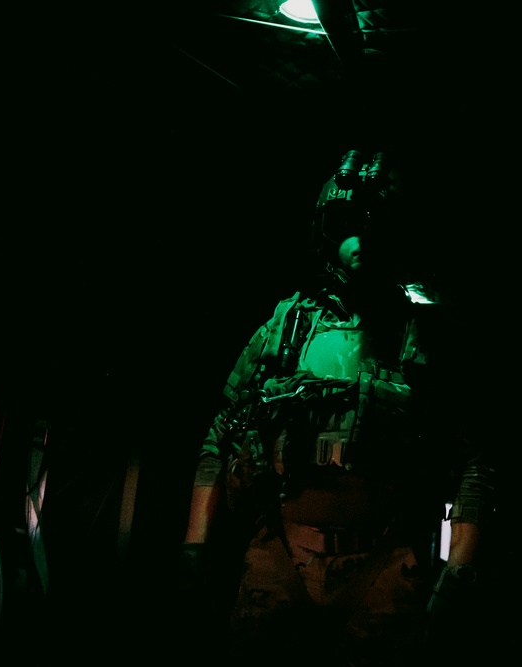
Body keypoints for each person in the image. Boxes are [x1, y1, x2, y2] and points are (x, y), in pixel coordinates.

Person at [178, 149, 499, 666]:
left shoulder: (425, 339)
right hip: (280, 553)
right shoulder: (283, 329)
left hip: (385, 563)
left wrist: (458, 574)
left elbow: (474, 461)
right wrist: (195, 550)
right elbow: (221, 434)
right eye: (346, 225)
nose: (361, 240)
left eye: (376, 225)